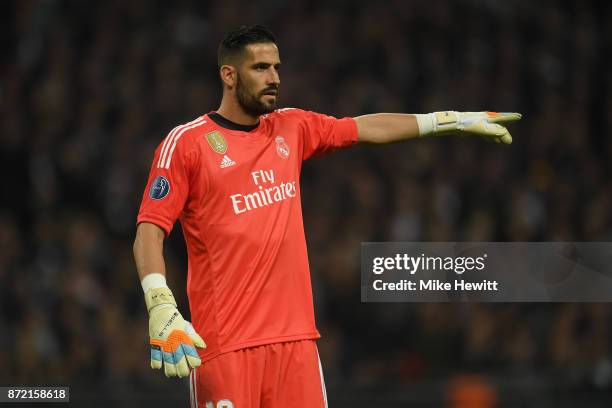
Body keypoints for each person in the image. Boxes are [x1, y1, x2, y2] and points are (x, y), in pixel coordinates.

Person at [133, 25, 521, 408]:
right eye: (262, 68)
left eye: (277, 68)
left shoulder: (290, 126)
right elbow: (150, 229)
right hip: (226, 349)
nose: (274, 78)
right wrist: (160, 303)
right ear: (229, 74)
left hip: (297, 347)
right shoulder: (187, 143)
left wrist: (443, 121)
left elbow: (363, 128)